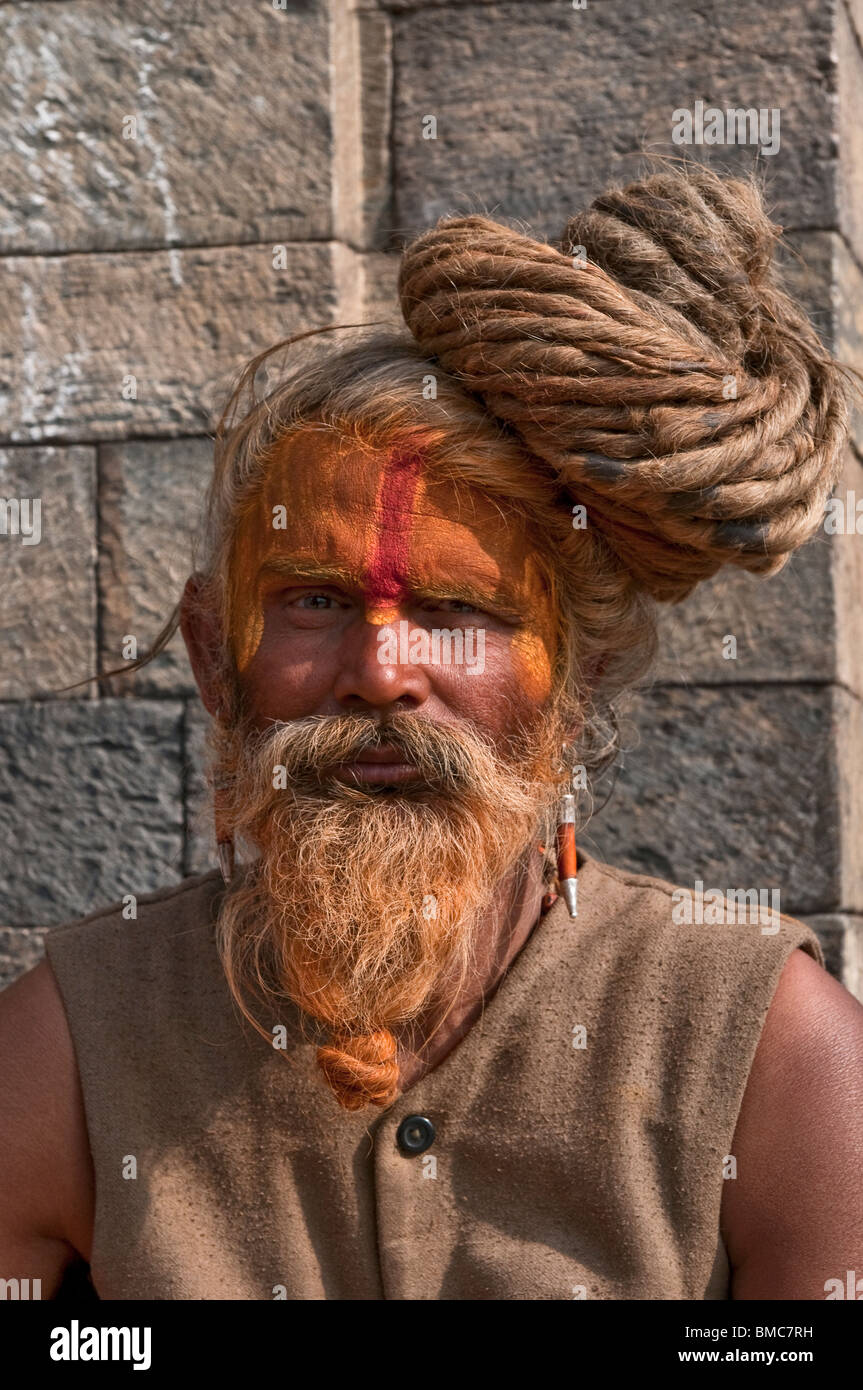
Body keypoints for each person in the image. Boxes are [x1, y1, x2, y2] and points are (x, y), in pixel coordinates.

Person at [1, 163, 862, 1301]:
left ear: (578, 676)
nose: (380, 672)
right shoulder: (69, 1044)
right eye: (312, 600)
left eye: (460, 611)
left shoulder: (767, 1053)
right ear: (214, 656)